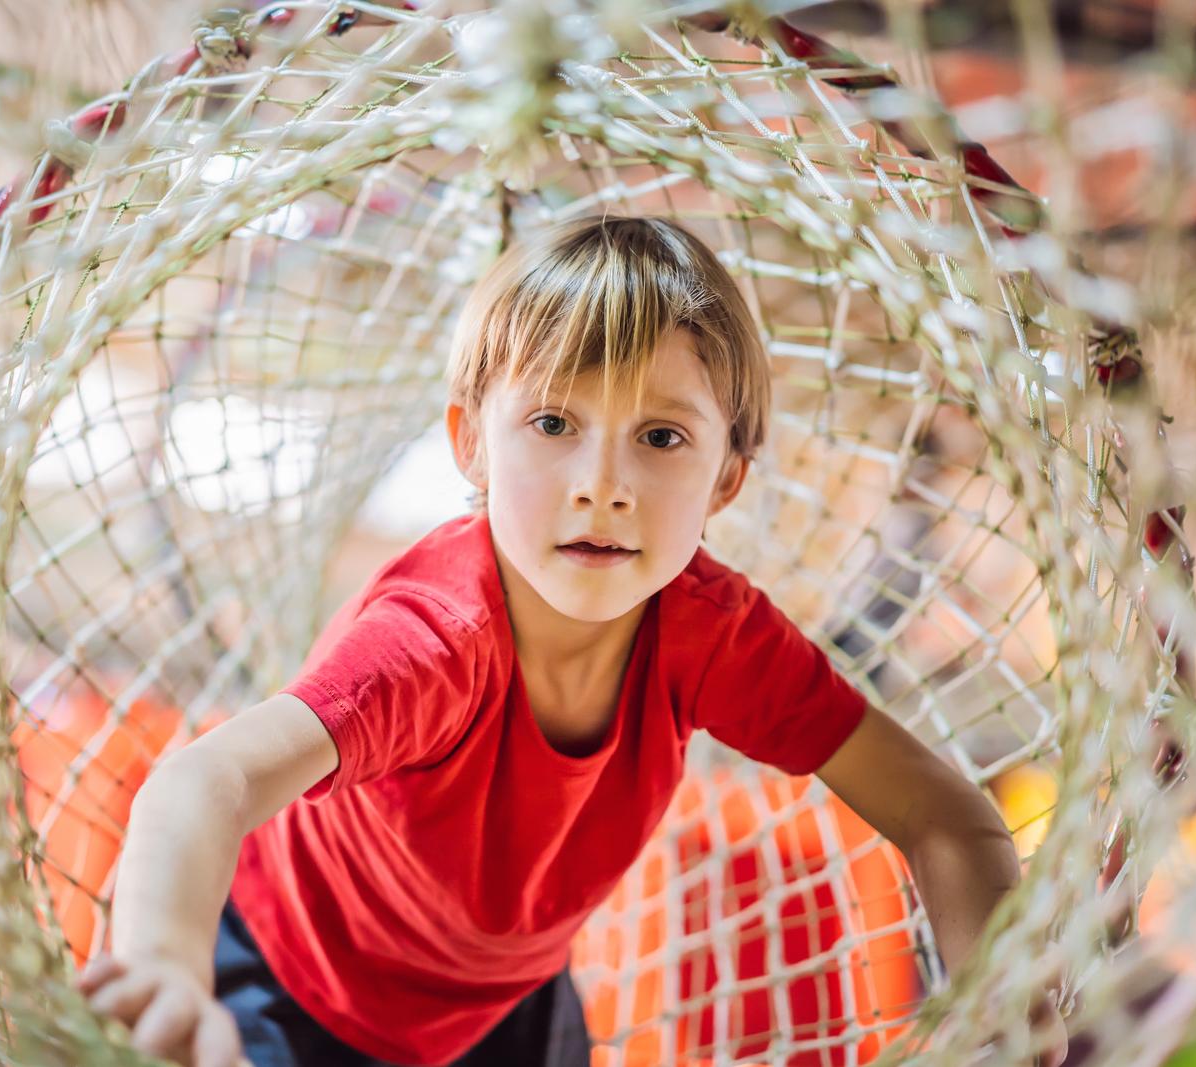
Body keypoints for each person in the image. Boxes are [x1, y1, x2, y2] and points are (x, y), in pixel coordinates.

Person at [75, 216, 1069, 1067]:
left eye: (661, 437)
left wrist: (999, 1006)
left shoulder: (710, 633)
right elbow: (206, 779)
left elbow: (950, 818)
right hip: (294, 983)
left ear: (726, 478)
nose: (604, 481)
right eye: (553, 420)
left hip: (501, 1003)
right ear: (470, 443)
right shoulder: (436, 638)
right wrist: (166, 960)